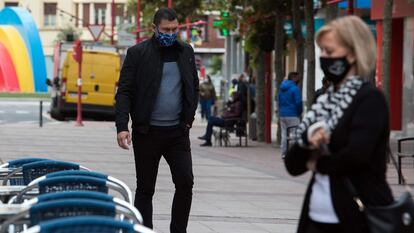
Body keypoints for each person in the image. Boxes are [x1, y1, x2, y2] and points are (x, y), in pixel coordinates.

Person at [284, 16, 393, 233]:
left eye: (330, 52)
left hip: (358, 215)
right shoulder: (324, 102)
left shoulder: (369, 99)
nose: (324, 57)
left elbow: (357, 155)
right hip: (316, 216)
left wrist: (318, 164)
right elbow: (293, 165)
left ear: (353, 54)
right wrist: (307, 141)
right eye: (322, 51)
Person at [115, 8, 199, 233]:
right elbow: (124, 91)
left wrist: (189, 119)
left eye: (174, 29)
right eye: (166, 30)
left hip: (177, 133)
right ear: (154, 29)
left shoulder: (186, 52)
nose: (170, 34)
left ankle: (178, 230)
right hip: (147, 132)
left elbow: (193, 87)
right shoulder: (138, 53)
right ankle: (145, 230)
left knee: (185, 183)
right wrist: (122, 127)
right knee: (145, 189)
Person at [278, 72, 303, 159]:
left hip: (283, 114)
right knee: (294, 135)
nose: (299, 80)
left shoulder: (281, 88)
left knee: (284, 134)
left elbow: (279, 101)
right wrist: (300, 112)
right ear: (293, 78)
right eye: (297, 78)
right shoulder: (295, 89)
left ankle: (283, 153)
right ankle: (293, 154)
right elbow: (298, 102)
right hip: (293, 114)